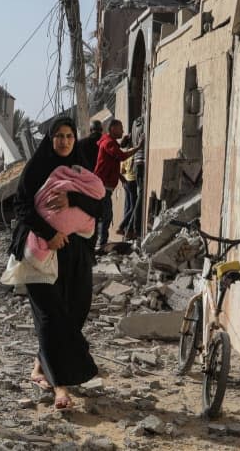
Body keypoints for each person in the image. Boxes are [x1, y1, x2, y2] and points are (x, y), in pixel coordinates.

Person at [9, 116, 103, 409]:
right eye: (59, 136)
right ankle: (61, 386)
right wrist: (49, 233)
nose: (64, 141)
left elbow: (101, 204)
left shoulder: (82, 169)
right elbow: (22, 205)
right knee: (51, 317)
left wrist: (72, 198)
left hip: (76, 252)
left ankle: (41, 365)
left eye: (69, 136)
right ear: (50, 139)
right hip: (41, 248)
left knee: (76, 310)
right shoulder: (36, 167)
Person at [94, 120, 142, 250]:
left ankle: (100, 242)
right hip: (102, 186)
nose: (122, 131)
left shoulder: (109, 142)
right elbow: (120, 156)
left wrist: (119, 176)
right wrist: (138, 148)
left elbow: (112, 160)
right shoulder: (108, 142)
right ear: (113, 128)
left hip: (104, 186)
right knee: (106, 215)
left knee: (104, 215)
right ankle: (101, 243)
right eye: (120, 128)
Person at [116, 135, 137, 239]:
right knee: (133, 207)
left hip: (126, 181)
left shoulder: (124, 154)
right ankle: (122, 227)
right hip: (133, 181)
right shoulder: (133, 151)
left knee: (128, 206)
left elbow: (122, 171)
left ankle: (125, 231)